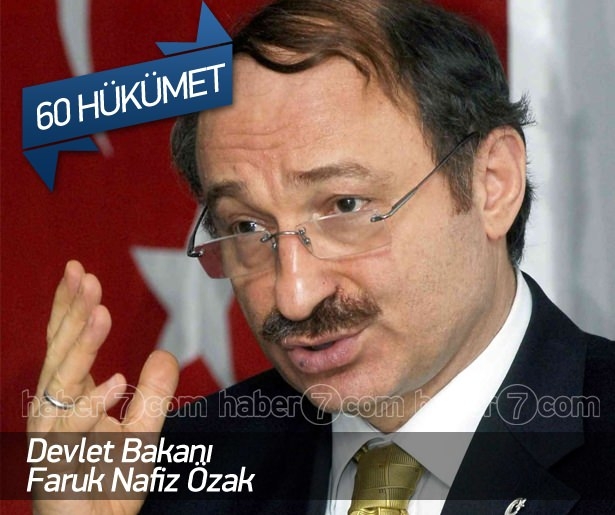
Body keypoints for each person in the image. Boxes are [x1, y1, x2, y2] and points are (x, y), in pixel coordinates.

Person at [29, 0, 615, 514]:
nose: (294, 296)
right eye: (248, 227)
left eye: (345, 205)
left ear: (492, 184)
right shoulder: (174, 473)